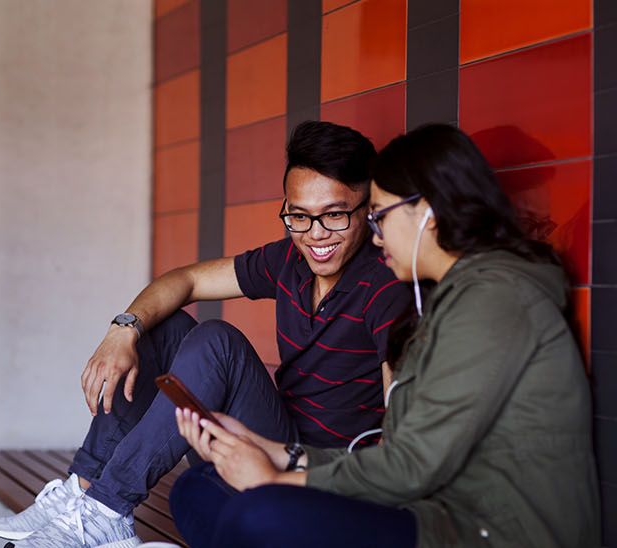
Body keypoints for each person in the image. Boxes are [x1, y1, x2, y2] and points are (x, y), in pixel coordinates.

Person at [170, 123, 600, 547]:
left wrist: (278, 478)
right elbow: (405, 456)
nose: (374, 237)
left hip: (482, 532)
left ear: (427, 212)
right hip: (429, 511)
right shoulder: (449, 299)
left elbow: (412, 465)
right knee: (198, 490)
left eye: (379, 216)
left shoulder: (496, 301)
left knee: (258, 513)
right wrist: (273, 451)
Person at [0, 121, 414, 548]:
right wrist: (123, 329)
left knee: (217, 341)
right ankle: (81, 494)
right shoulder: (291, 258)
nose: (316, 234)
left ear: (368, 208)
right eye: (299, 216)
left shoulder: (384, 285)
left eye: (335, 215)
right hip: (263, 436)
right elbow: (186, 281)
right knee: (163, 324)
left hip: (314, 469)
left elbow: (401, 442)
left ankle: (109, 507)